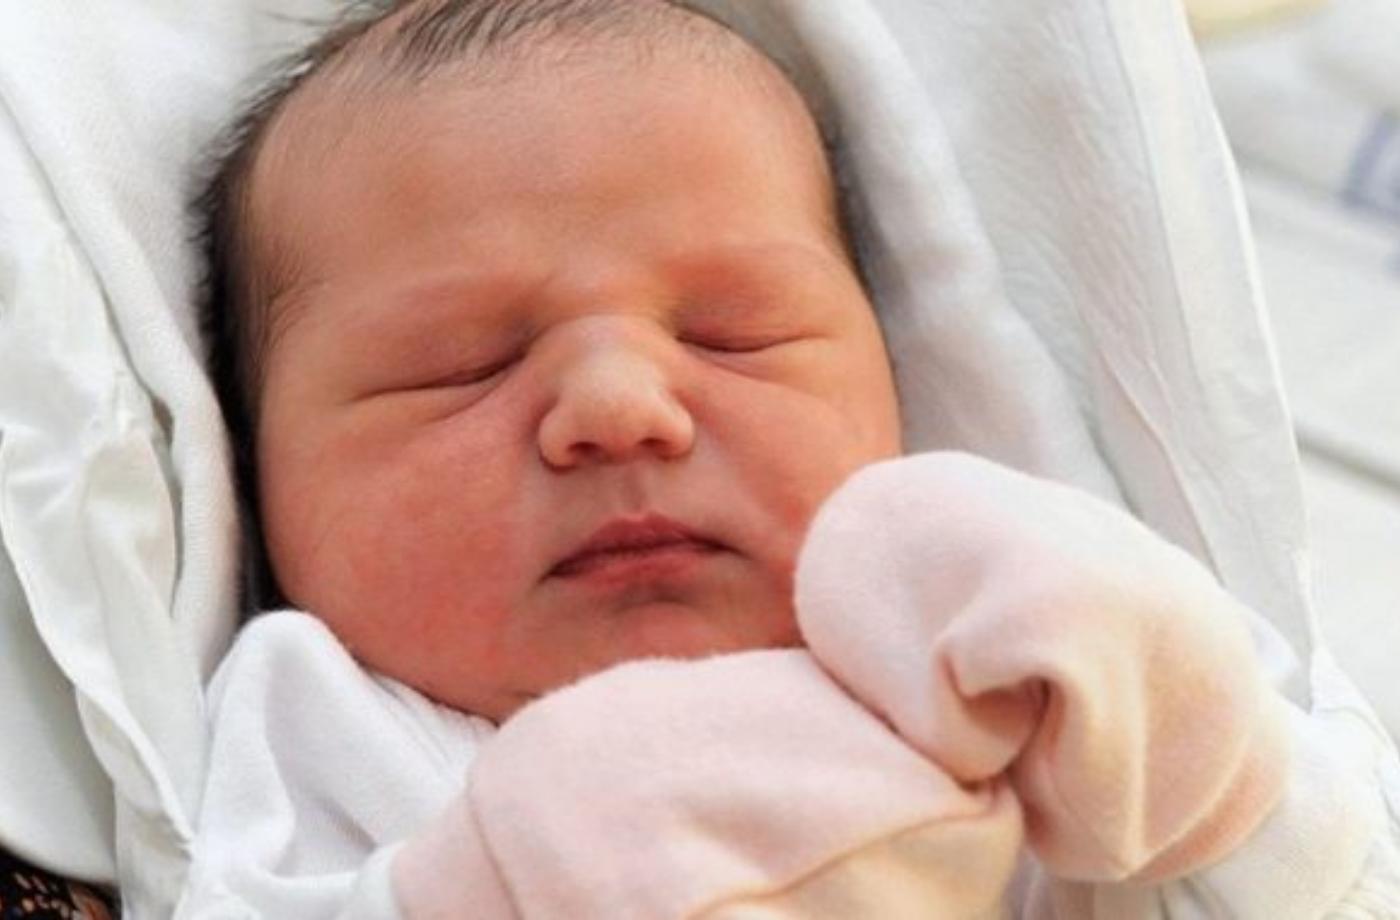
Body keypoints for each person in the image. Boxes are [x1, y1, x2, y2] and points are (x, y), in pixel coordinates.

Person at [184, 1, 1384, 916]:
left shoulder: (995, 624)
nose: (619, 406)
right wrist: (507, 867)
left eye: (731, 332)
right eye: (456, 366)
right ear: (255, 467)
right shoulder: (313, 712)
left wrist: (1186, 749)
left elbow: (1337, 876)